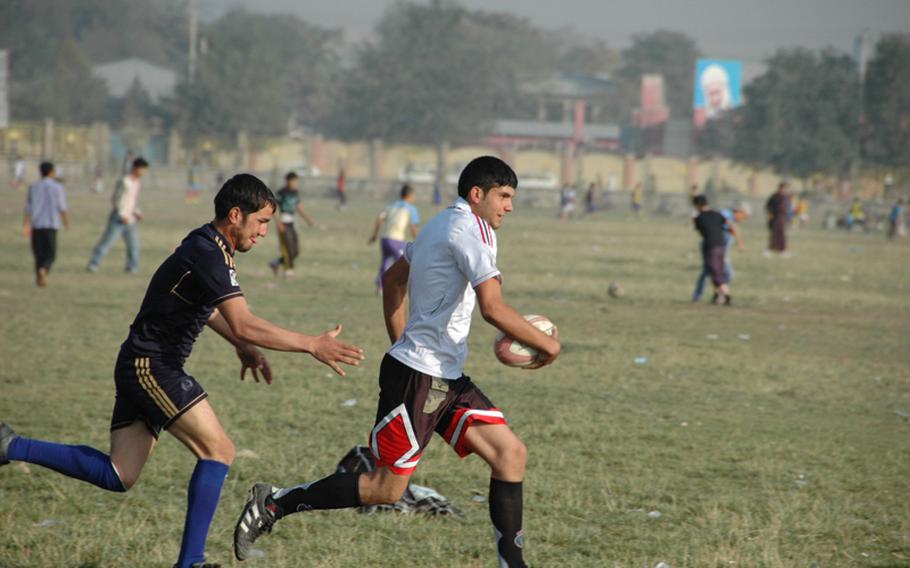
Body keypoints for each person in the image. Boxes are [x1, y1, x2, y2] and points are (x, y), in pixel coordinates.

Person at [0, 173, 365, 568]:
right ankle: (190, 563)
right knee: (219, 450)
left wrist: (241, 345)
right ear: (236, 214)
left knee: (118, 474)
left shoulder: (208, 246)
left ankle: (10, 445)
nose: (263, 233)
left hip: (141, 364)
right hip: (152, 366)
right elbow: (244, 321)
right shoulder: (210, 252)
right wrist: (311, 343)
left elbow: (206, 309)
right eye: (260, 222)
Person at [233, 156, 561, 568]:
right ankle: (276, 502)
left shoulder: (440, 224)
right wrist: (549, 347)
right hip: (419, 380)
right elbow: (492, 308)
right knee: (386, 488)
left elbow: (392, 279)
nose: (509, 206)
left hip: (444, 376)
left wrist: (402, 341)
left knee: (510, 455)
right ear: (477, 194)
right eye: (504, 196)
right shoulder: (469, 229)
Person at [87, 157, 149, 273]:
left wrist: (137, 212)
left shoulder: (137, 183)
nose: (144, 172)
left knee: (134, 246)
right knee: (106, 243)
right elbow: (116, 199)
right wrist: (122, 215)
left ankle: (132, 267)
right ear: (136, 168)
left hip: (131, 219)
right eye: (143, 169)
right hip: (118, 219)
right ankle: (93, 264)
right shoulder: (124, 181)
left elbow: (132, 201)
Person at [22, 161, 69, 287]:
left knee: (38, 253)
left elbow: (28, 208)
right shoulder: (58, 187)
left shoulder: (34, 187)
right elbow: (62, 207)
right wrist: (66, 222)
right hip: (51, 224)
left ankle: (39, 278)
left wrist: (25, 224)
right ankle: (44, 270)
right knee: (50, 254)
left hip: (37, 224)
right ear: (52, 172)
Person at [368, 184, 421, 294]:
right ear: (410, 196)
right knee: (404, 263)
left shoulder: (391, 206)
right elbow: (414, 227)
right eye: (414, 195)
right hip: (396, 240)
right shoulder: (411, 209)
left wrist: (374, 235)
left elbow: (379, 219)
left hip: (384, 239)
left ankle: (380, 287)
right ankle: (402, 287)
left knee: (386, 261)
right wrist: (419, 242)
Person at [692, 200, 748, 302]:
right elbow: (723, 228)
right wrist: (740, 243)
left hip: (718, 248)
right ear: (740, 212)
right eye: (744, 216)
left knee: (712, 272)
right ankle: (722, 295)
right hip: (715, 247)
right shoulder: (725, 214)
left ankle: (715, 294)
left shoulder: (726, 216)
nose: (743, 219)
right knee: (723, 273)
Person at [268, 172, 315, 278]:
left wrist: (308, 219)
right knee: (287, 247)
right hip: (283, 222)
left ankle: (276, 263)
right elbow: (275, 208)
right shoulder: (281, 192)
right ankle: (288, 271)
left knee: (295, 250)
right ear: (288, 181)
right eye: (293, 181)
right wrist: (278, 223)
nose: (295, 183)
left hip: (292, 222)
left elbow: (299, 207)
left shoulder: (295, 192)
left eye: (296, 181)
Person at [764, 181, 790, 256]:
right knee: (773, 233)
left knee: (782, 234)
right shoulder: (774, 196)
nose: (784, 190)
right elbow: (768, 206)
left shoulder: (786, 197)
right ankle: (770, 249)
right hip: (775, 217)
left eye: (785, 188)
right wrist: (770, 214)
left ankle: (783, 250)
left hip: (782, 217)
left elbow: (788, 208)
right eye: (783, 188)